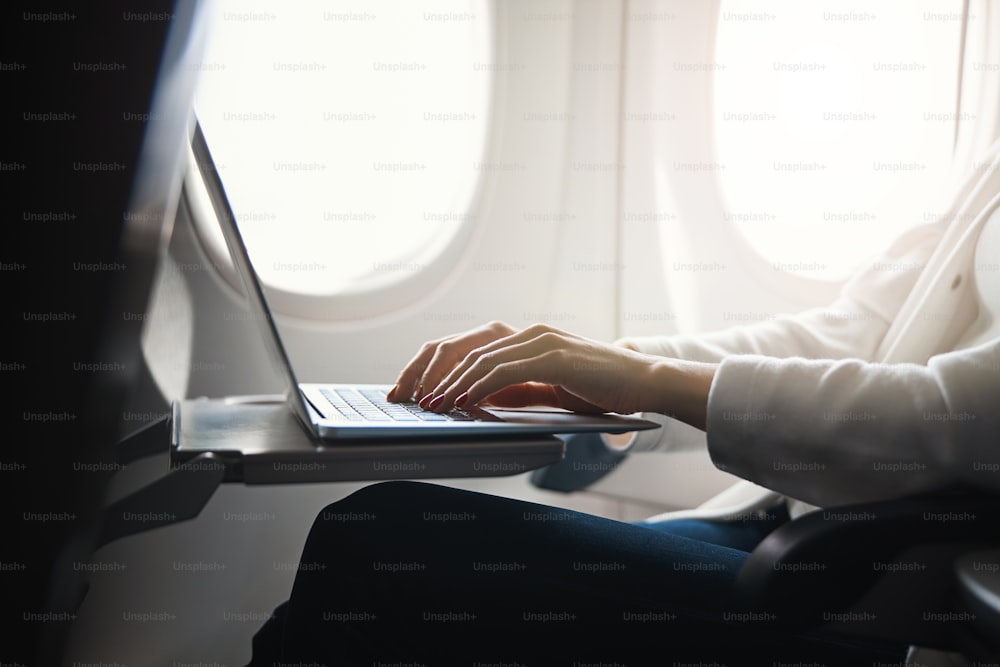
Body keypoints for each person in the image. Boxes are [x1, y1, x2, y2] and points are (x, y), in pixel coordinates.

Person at [248, 139, 1000, 665]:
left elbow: (961, 419)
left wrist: (653, 383)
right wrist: (602, 368)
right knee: (314, 614)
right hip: (799, 532)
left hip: (891, 595)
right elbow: (848, 333)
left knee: (378, 537)